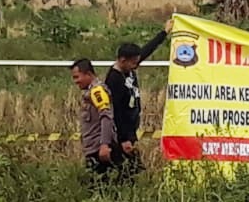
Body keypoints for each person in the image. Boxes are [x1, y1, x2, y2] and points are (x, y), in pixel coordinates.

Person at [104, 18, 173, 176]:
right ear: (122, 60)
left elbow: (146, 50)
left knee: (131, 169)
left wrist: (164, 32)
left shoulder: (129, 68)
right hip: (121, 134)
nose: (137, 65)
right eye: (134, 63)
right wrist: (124, 139)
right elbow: (118, 113)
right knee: (128, 170)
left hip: (131, 131)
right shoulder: (114, 80)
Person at [71, 57, 122, 178]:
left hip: (99, 151)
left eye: (77, 77)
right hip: (94, 149)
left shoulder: (97, 91)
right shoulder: (90, 92)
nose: (75, 81)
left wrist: (104, 145)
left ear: (88, 74)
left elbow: (106, 117)